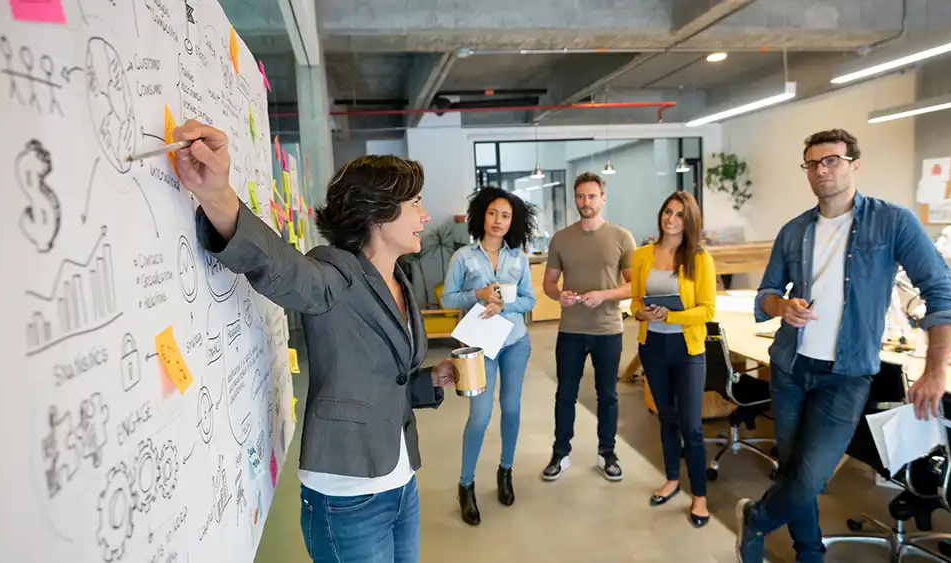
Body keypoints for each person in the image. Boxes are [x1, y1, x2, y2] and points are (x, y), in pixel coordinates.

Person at [171, 119, 458, 563]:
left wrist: (430, 379)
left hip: (400, 479)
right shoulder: (335, 272)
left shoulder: (398, 278)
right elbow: (282, 269)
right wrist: (218, 197)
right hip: (347, 496)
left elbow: (384, 378)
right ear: (379, 213)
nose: (424, 216)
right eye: (415, 204)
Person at [736, 129, 951, 563]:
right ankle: (809, 553)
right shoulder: (794, 231)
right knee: (790, 471)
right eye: (813, 163)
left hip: (846, 376)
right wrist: (782, 304)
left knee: (809, 479)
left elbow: (941, 291)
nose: (822, 170)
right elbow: (764, 295)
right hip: (790, 367)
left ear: (854, 164)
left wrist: (935, 370)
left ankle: (758, 518)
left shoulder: (893, 222)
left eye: (832, 160)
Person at [442, 186, 537, 526]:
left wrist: (506, 303)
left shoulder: (519, 259)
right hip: (480, 346)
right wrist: (477, 294)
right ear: (482, 215)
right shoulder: (463, 258)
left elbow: (530, 301)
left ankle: (505, 471)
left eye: (506, 215)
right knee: (480, 417)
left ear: (514, 222)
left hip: (514, 342)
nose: (498, 220)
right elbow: (447, 300)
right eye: (493, 213)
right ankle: (466, 484)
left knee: (511, 409)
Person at [541, 172, 636, 482]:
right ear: (575, 199)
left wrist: (604, 295)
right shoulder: (561, 239)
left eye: (591, 196)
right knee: (565, 394)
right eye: (581, 196)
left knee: (607, 394)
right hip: (570, 330)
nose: (586, 202)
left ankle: (607, 453)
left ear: (602, 198)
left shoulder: (622, 238)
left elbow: (634, 287)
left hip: (608, 330)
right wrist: (560, 297)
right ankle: (560, 453)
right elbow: (549, 284)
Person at [629, 191, 715, 528]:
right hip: (652, 347)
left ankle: (700, 497)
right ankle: (671, 479)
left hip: (688, 350)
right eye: (668, 211)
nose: (672, 219)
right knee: (665, 417)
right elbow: (636, 299)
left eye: (680, 215)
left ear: (689, 221)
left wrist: (671, 317)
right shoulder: (641, 255)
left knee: (692, 427)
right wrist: (640, 312)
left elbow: (707, 310)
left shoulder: (699, 258)